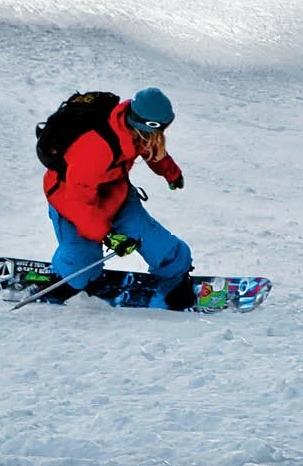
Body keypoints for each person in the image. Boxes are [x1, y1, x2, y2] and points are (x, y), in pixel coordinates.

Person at [41, 87, 195, 308]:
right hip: (72, 203)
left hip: (116, 196)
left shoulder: (136, 130)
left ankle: (175, 281)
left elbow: (153, 150)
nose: (159, 137)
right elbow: (78, 203)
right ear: (143, 125)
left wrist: (171, 173)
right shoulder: (95, 148)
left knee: (161, 247)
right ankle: (66, 279)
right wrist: (108, 236)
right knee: (81, 265)